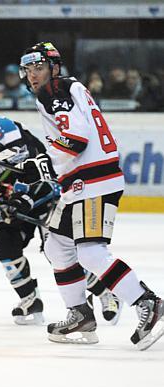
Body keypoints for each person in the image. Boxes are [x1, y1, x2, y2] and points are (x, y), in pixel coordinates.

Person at [17, 42, 163, 349]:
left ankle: (148, 303)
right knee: (57, 246)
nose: (32, 75)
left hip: (94, 182)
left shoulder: (54, 91)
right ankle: (81, 314)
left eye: (39, 67)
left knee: (91, 253)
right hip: (80, 183)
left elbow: (77, 139)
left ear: (54, 67)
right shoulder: (66, 88)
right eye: (28, 69)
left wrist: (40, 163)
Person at [0, 84, 121, 326]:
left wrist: (22, 198)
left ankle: (105, 293)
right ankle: (30, 299)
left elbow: (29, 168)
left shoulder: (4, 130)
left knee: (60, 255)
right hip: (13, 198)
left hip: (44, 193)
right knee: (5, 243)